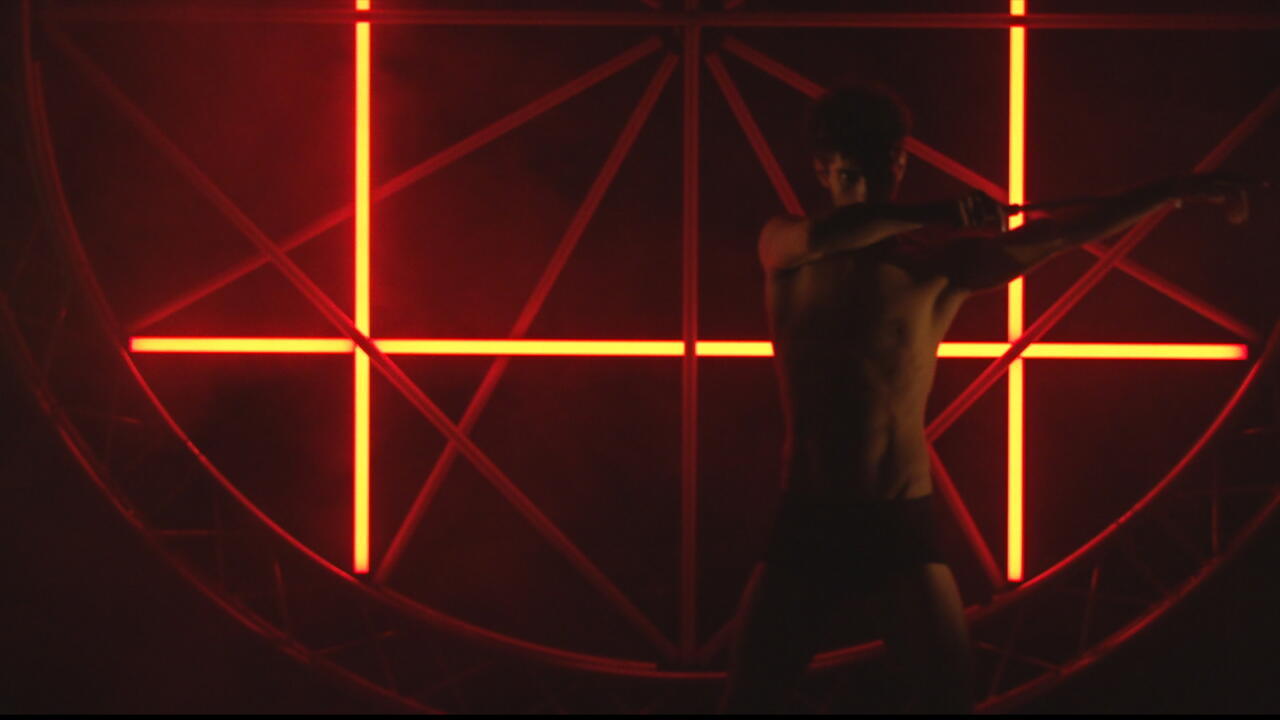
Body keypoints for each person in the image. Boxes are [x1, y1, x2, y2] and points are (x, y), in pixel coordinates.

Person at [720, 84, 1255, 713]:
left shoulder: (940, 263)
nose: (873, 186)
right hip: (810, 519)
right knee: (749, 702)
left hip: (897, 518)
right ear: (822, 169)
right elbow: (824, 237)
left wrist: (1169, 191)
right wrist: (940, 213)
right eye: (851, 174)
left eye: (882, 168)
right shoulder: (786, 247)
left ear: (900, 162)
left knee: (947, 697)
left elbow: (1061, 235)